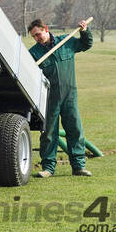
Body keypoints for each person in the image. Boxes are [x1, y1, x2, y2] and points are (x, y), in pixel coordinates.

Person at [28, 19, 93, 178]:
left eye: (38, 34)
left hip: (70, 94)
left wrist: (85, 31)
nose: (37, 38)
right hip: (49, 98)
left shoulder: (66, 42)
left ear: (46, 29)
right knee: (49, 133)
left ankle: (78, 166)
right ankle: (48, 168)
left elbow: (86, 44)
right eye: (34, 36)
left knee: (75, 129)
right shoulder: (33, 54)